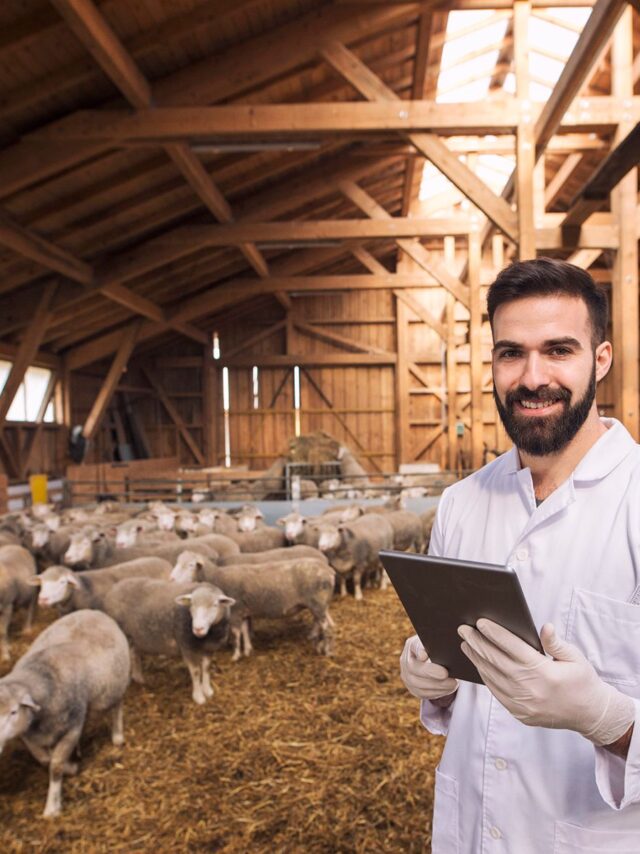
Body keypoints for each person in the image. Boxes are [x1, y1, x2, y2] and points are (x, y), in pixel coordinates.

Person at [399, 258, 640, 852]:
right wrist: (437, 682)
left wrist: (608, 720)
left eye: (559, 349)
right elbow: (467, 707)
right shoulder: (460, 504)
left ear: (600, 360)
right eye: (511, 353)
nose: (533, 377)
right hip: (471, 830)